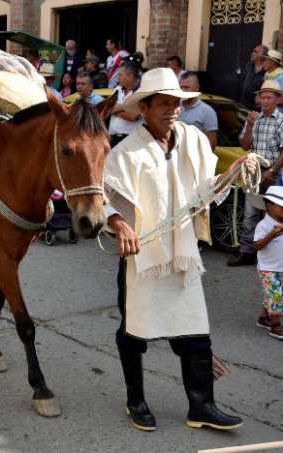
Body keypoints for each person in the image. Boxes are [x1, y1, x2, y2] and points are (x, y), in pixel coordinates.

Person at [105, 67, 249, 432]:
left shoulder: (194, 140)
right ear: (146, 107)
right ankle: (135, 401)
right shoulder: (125, 152)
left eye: (178, 104)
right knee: (134, 332)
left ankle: (201, 406)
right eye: (165, 103)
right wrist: (119, 224)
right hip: (143, 257)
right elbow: (106, 196)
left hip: (183, 251)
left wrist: (233, 175)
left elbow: (205, 191)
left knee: (194, 331)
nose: (173, 110)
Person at [229, 80, 283, 266]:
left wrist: (272, 171)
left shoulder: (282, 121)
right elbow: (245, 145)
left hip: (274, 174)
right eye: (263, 97)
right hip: (254, 171)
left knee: (274, 213)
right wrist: (250, 125)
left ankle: (271, 254)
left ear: (278, 100)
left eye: (270, 97)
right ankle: (247, 252)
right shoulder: (254, 119)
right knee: (250, 214)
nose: (265, 101)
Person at [254, 185, 283, 340]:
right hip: (269, 268)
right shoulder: (263, 225)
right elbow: (257, 246)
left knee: (274, 295)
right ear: (270, 206)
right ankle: (276, 326)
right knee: (276, 297)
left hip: (281, 266)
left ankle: (264, 318)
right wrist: (272, 235)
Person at [179, 72, 218, 150]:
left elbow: (211, 143)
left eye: (186, 87)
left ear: (197, 88)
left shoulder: (207, 111)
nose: (183, 91)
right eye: (181, 87)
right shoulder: (174, 108)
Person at [109, 64, 142, 147]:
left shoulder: (140, 92)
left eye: (120, 75)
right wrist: (125, 109)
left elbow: (133, 117)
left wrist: (116, 109)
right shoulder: (117, 90)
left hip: (130, 139)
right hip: (113, 138)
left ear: (130, 76)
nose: (118, 78)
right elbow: (108, 109)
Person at [241, 45, 268, 110]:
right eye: (253, 51)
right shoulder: (249, 66)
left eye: (256, 52)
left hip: (258, 107)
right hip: (244, 104)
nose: (252, 53)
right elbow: (242, 81)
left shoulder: (267, 70)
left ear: (263, 55)